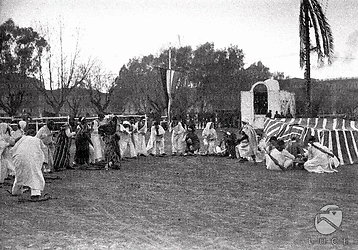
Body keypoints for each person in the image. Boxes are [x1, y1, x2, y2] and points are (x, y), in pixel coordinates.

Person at [11, 135, 49, 201]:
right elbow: (44, 150)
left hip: (18, 157)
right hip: (31, 158)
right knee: (35, 175)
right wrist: (45, 161)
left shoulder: (22, 138)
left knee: (19, 174)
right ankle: (35, 194)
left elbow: (13, 148)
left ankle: (16, 191)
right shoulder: (37, 140)